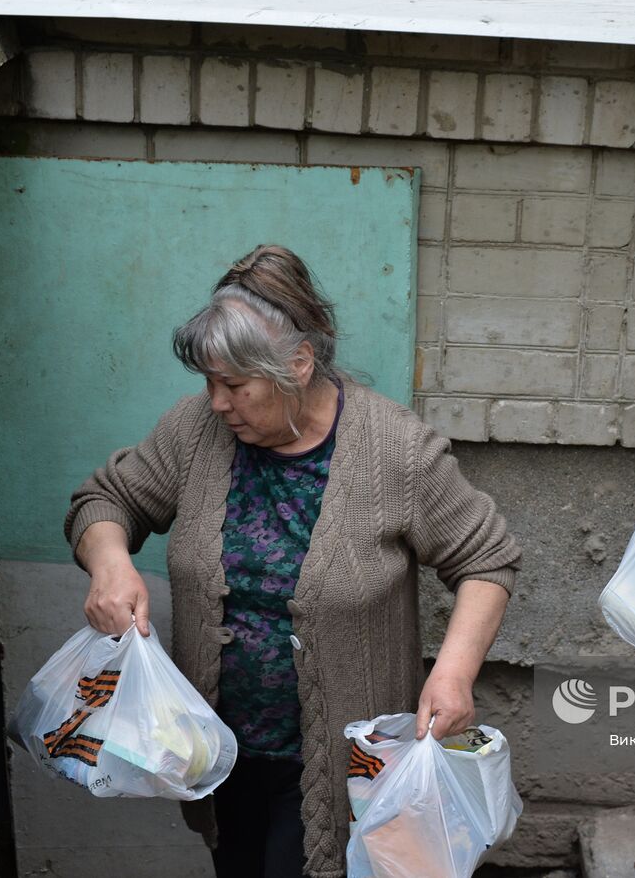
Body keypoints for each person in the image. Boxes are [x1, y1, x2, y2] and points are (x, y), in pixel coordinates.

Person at [66, 245, 520, 878]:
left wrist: (453, 674)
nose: (217, 402)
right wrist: (111, 561)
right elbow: (105, 500)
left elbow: (486, 558)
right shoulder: (196, 430)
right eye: (208, 383)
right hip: (216, 753)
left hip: (338, 764)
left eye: (234, 385)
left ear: (297, 364)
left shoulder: (395, 450)